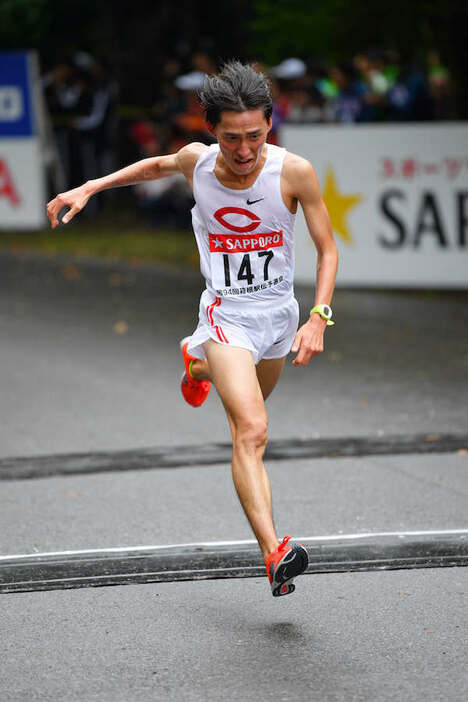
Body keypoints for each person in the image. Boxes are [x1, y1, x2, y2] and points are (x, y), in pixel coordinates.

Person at [46, 61, 338, 598]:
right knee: (250, 430)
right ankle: (274, 553)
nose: (245, 149)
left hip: (277, 318)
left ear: (270, 124)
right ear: (211, 132)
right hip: (225, 317)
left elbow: (327, 250)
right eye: (231, 138)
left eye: (255, 135)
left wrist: (318, 316)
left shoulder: (294, 172)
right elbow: (151, 166)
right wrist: (90, 186)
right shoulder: (196, 163)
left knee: (249, 406)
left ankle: (195, 362)